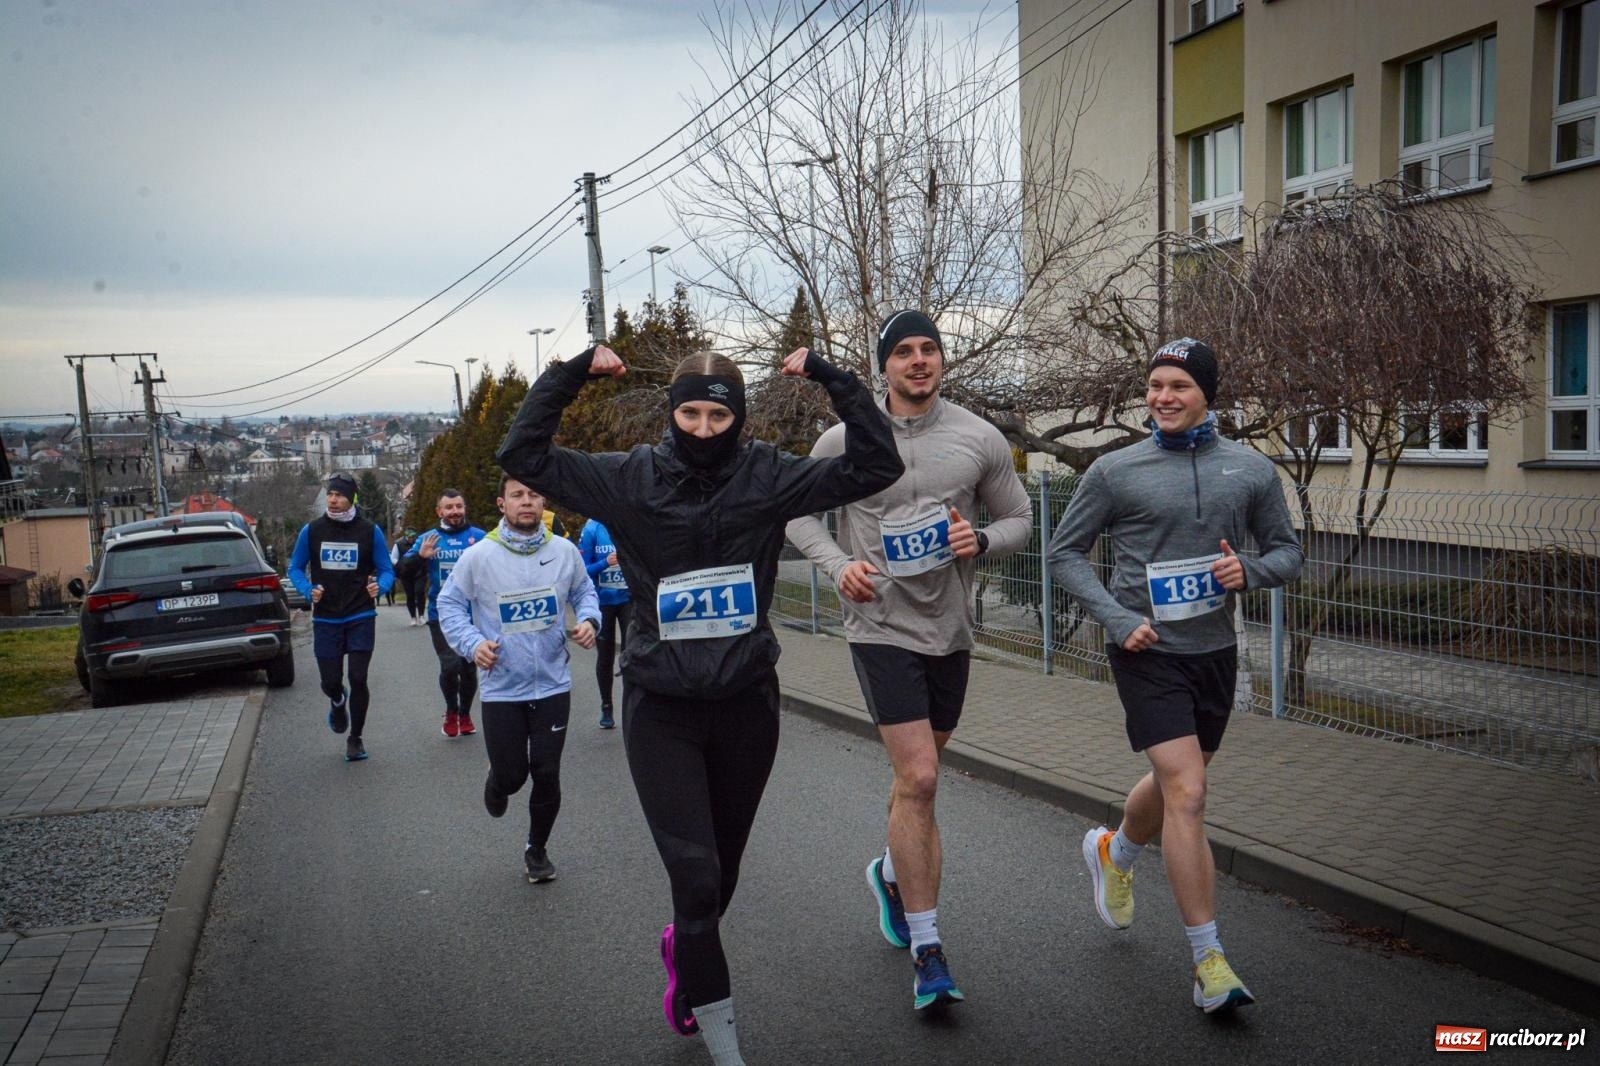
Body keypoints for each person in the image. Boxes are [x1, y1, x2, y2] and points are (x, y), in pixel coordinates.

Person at [497, 343, 900, 1066]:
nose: (705, 428)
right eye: (690, 412)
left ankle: (687, 941)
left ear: (738, 417)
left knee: (723, 877)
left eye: (719, 414)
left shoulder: (767, 475)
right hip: (663, 705)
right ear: (671, 412)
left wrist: (836, 381)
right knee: (695, 875)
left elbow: (877, 466)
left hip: (747, 702)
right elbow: (524, 455)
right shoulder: (628, 480)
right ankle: (723, 1039)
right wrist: (569, 374)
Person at [1046, 338, 1303, 1014]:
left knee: (1174, 783)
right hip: (1145, 649)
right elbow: (1064, 554)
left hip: (1213, 653)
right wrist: (1112, 616)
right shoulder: (1115, 471)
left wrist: (1248, 571)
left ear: (1206, 395)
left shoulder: (1249, 471)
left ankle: (1114, 850)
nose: (1162, 397)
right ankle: (1208, 961)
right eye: (1155, 385)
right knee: (1188, 793)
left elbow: (1288, 551)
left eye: (1178, 387)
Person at [785, 309, 1031, 1011]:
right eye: (904, 353)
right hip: (878, 625)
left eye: (929, 350)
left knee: (919, 780)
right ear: (884, 366)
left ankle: (892, 871)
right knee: (919, 777)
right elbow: (796, 511)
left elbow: (1019, 518)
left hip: (948, 630)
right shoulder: (846, 436)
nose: (919, 361)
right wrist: (837, 567)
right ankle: (929, 950)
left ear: (941, 360)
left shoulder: (978, 437)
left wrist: (980, 543)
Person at [437, 476, 599, 883]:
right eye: (517, 496)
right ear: (501, 504)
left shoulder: (564, 552)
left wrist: (589, 620)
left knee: (546, 772)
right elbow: (449, 603)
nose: (526, 502)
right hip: (502, 686)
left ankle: (537, 849)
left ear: (542, 501)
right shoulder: (480, 556)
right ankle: (498, 780)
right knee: (514, 776)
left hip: (552, 683)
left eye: (533, 495)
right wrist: (473, 644)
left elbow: (584, 592)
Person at [287, 472, 396, 762]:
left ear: (352, 499)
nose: (333, 500)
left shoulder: (369, 531)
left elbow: (386, 570)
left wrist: (380, 587)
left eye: (339, 495)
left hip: (360, 613)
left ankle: (355, 738)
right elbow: (295, 568)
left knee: (358, 678)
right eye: (330, 495)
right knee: (330, 681)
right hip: (327, 618)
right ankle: (338, 700)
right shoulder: (312, 531)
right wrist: (308, 590)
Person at [402, 488, 487, 738]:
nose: (455, 512)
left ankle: (465, 712)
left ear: (465, 508)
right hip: (441, 613)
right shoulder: (428, 538)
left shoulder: (480, 537)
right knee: (450, 666)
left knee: (469, 668)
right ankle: (451, 710)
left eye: (459, 506)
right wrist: (420, 556)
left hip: (474, 614)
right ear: (439, 511)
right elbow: (402, 570)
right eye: (449, 508)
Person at [577, 517, 629, 728]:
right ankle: (606, 705)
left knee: (632, 654)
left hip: (628, 600)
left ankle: (631, 705)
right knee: (606, 656)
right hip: (603, 602)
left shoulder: (629, 522)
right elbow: (583, 570)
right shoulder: (592, 529)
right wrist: (605, 563)